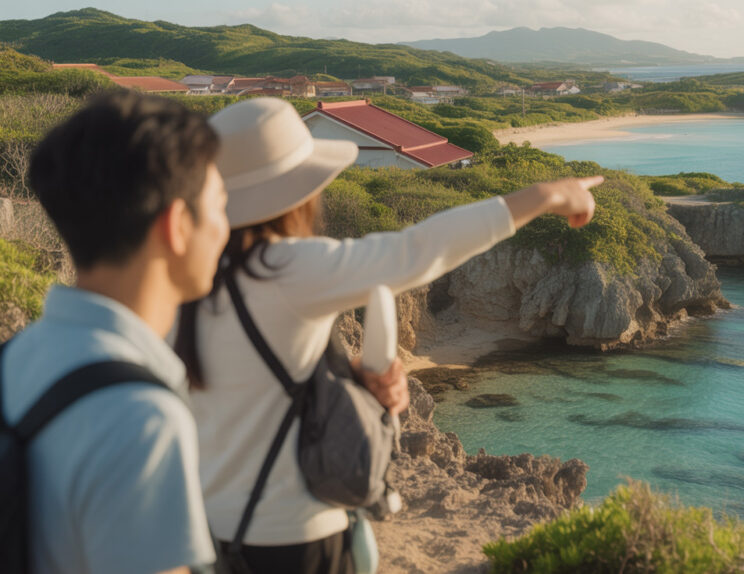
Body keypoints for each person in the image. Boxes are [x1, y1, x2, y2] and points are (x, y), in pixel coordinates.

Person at [172, 97, 601, 574]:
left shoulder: (182, 281)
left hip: (206, 534)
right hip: (296, 537)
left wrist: (347, 378)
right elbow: (416, 251)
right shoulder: (284, 269)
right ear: (299, 194)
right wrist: (544, 197)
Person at [1, 90, 228, 573]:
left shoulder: (17, 356)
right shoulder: (141, 419)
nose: (226, 230)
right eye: (220, 206)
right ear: (177, 226)